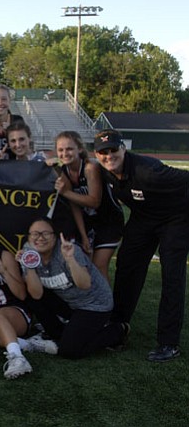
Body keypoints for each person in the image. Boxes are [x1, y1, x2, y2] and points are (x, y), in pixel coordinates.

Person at [93, 129, 189, 362]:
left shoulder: (149, 172)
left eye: (113, 150)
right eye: (103, 152)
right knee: (127, 265)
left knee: (172, 275)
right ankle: (118, 329)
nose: (109, 156)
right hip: (144, 217)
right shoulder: (102, 171)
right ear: (96, 155)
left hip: (176, 217)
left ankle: (168, 343)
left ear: (123, 149)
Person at [21, 217, 128, 359]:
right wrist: (30, 267)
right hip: (69, 303)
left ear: (56, 235)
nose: (40, 238)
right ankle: (60, 334)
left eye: (46, 233)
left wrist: (70, 259)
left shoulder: (69, 250)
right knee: (30, 294)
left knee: (69, 351)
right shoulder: (28, 251)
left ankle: (117, 330)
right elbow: (36, 294)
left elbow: (85, 284)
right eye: (34, 234)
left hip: (94, 305)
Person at [0, 223, 53, 379]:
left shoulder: (4, 255)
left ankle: (17, 358)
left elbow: (21, 294)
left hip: (14, 311)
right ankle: (26, 344)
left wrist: (3, 272)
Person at [52, 131, 124, 282]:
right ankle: (93, 303)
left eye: (69, 149)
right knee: (86, 265)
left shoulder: (90, 168)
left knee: (99, 266)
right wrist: (83, 235)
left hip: (109, 222)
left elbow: (94, 201)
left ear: (79, 149)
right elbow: (75, 205)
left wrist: (65, 192)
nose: (65, 153)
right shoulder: (63, 171)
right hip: (89, 223)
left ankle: (106, 305)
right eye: (61, 150)